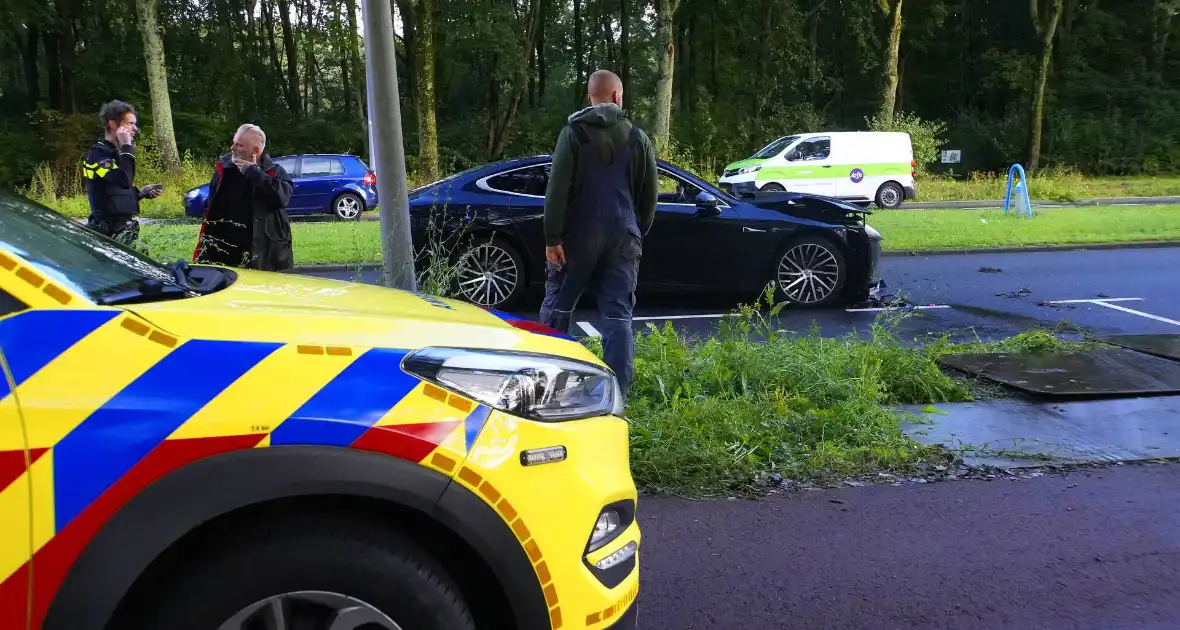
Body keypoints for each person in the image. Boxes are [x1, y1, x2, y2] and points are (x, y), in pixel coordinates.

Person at [540, 69, 658, 400]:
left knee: (559, 309)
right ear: (618, 96)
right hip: (623, 235)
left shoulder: (573, 134)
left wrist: (552, 238)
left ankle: (548, 388)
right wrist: (637, 232)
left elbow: (557, 190)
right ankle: (617, 394)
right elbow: (650, 197)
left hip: (577, 236)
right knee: (618, 315)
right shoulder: (638, 138)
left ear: (590, 96)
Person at [193, 124, 294, 271]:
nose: (233, 148)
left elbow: (281, 198)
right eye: (234, 142)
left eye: (239, 145)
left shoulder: (274, 172)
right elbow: (212, 208)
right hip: (226, 253)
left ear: (255, 151)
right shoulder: (224, 171)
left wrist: (254, 172)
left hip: (265, 253)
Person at [83, 100, 163, 246]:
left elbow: (115, 192)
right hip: (105, 237)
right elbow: (124, 181)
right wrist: (127, 147)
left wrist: (140, 193)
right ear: (113, 124)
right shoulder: (98, 155)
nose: (135, 129)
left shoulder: (118, 153)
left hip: (123, 233)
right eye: (130, 124)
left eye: (135, 124)